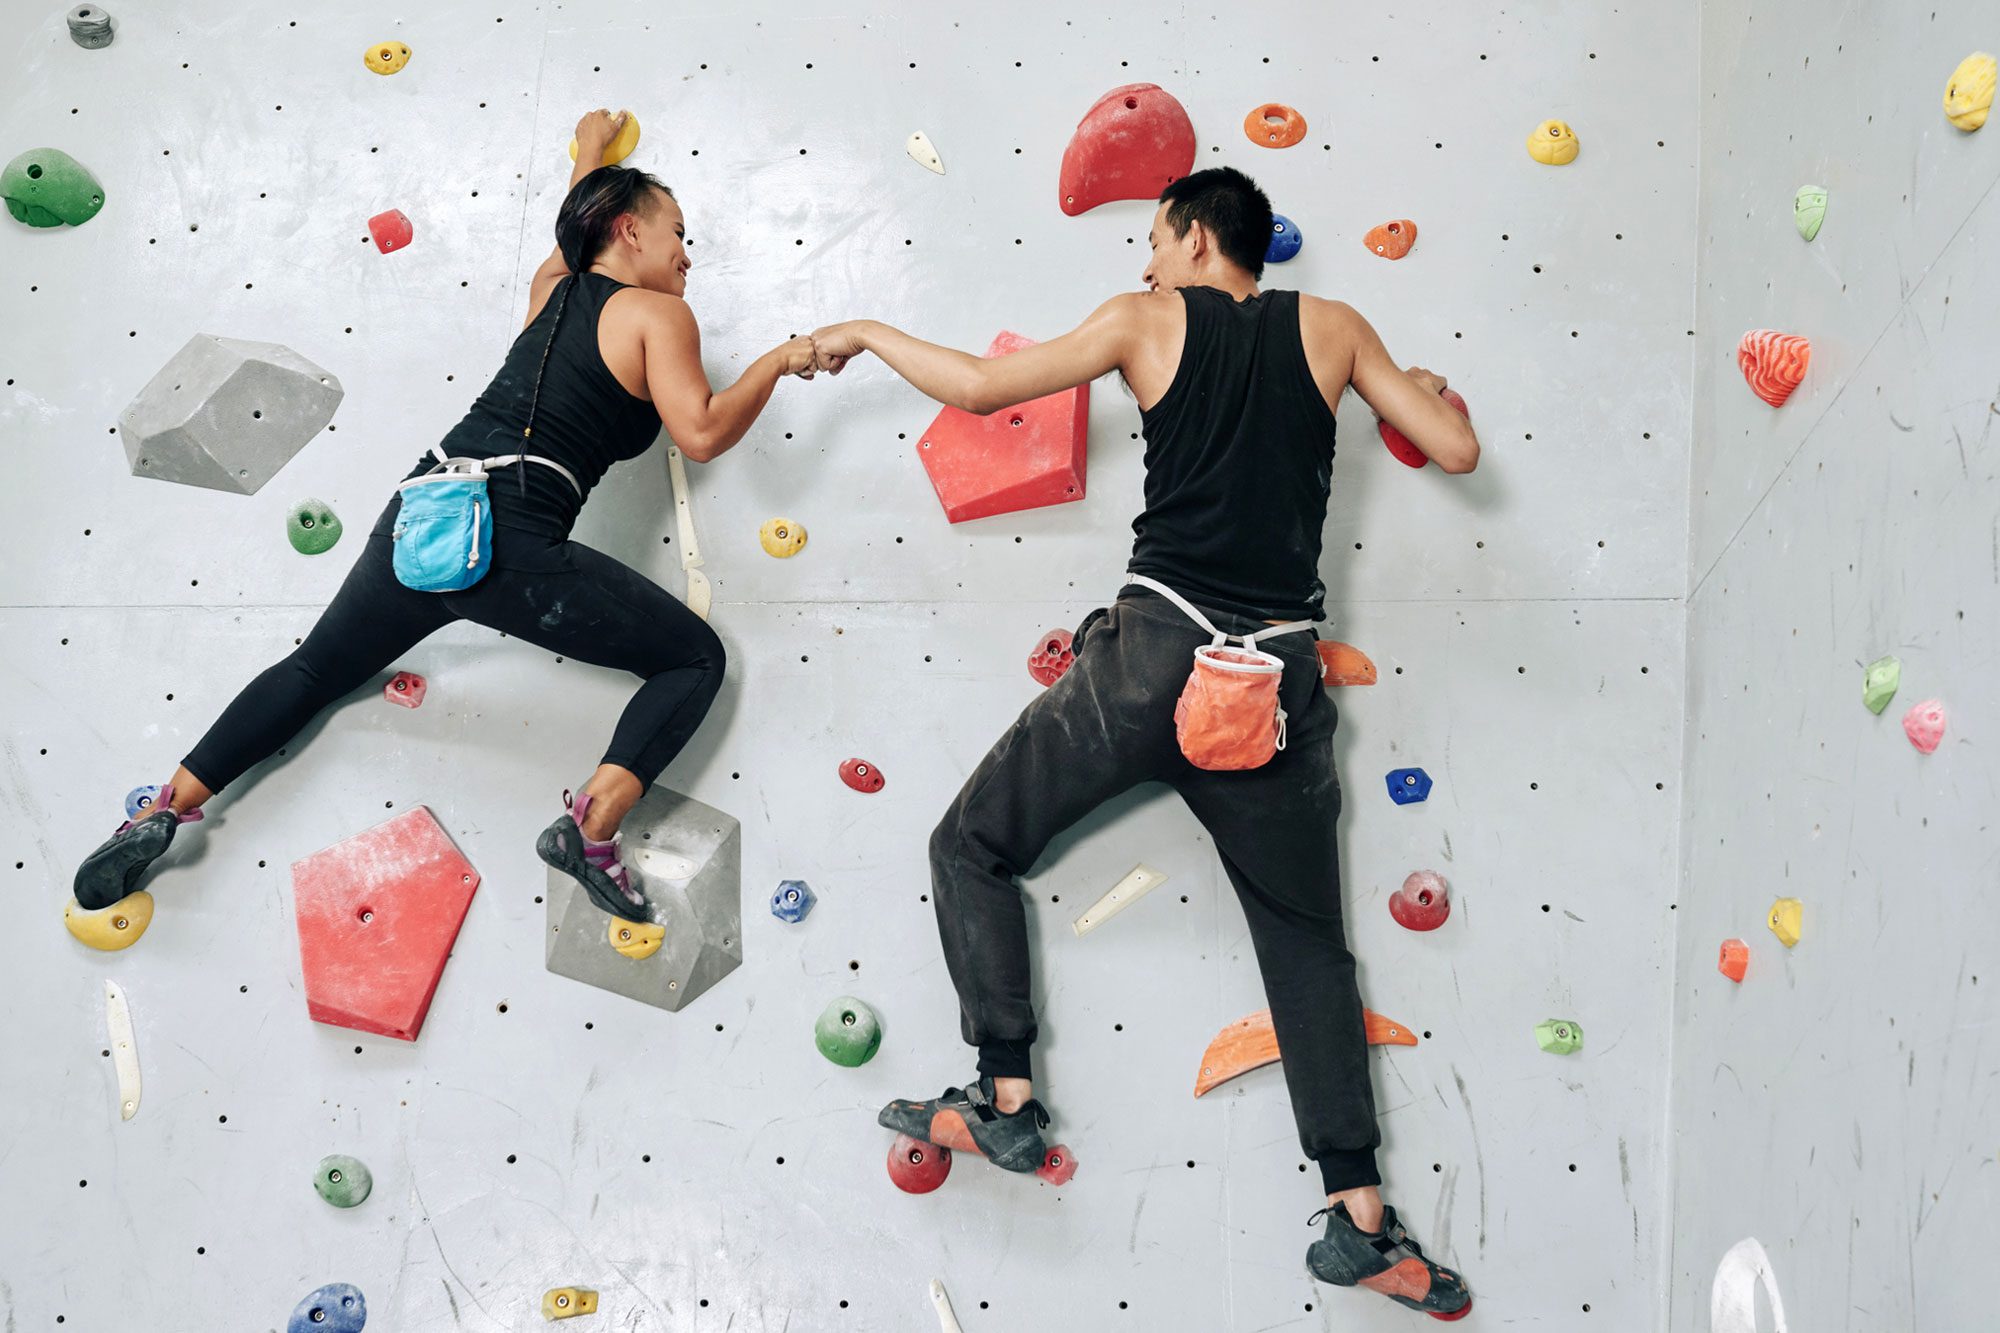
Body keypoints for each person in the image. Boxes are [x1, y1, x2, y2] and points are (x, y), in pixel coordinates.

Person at [806, 166, 1479, 1318]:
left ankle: (1006, 1098)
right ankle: (1361, 1221)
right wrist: (1415, 390)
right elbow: (1455, 451)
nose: (1145, 262)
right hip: (1273, 681)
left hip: (1151, 660)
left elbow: (975, 386)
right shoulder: (1334, 329)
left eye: (1154, 242)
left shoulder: (1141, 320)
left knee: (969, 843)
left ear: (1189, 233)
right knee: (1307, 946)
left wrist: (863, 329)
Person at [72, 110, 820, 924]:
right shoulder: (658, 314)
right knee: (695, 659)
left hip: (423, 508)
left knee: (315, 670)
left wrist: (592, 152)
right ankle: (593, 828)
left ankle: (163, 806)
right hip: (506, 535)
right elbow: (702, 431)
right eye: (679, 232)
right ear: (629, 229)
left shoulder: (552, 289)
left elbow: (575, 230)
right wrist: (781, 358)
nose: (687, 254)